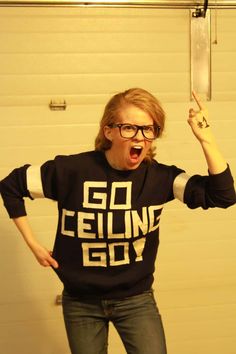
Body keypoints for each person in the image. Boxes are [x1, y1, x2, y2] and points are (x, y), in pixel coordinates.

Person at [0, 88, 235, 354]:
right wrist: (32, 243)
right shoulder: (71, 171)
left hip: (136, 299)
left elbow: (224, 195)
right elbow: (12, 185)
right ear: (108, 131)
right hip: (81, 301)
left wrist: (206, 138)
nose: (140, 137)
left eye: (149, 129)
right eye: (129, 128)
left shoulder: (161, 179)